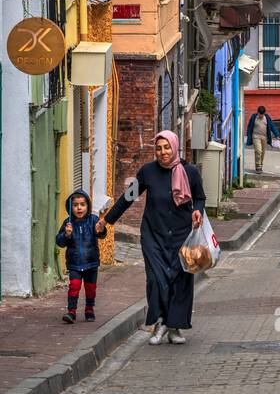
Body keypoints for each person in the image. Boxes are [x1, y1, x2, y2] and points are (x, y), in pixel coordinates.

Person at [104, 131, 205, 346]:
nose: (163, 152)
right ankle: (159, 322)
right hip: (153, 235)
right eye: (158, 148)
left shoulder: (190, 172)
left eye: (167, 147)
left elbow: (199, 197)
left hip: (182, 236)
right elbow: (128, 198)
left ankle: (175, 327)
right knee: (156, 279)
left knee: (180, 281)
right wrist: (107, 220)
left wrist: (197, 210)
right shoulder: (147, 172)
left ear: (175, 147)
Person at [55, 189, 107, 323]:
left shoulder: (93, 220)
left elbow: (101, 235)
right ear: (70, 207)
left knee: (90, 288)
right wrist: (67, 234)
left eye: (82, 204)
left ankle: (89, 309)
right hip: (74, 263)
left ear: (87, 206)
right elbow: (60, 242)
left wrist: (100, 230)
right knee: (74, 286)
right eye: (75, 205)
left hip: (91, 262)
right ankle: (71, 312)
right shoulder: (68, 223)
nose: (79, 208)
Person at [245, 104, 280, 172]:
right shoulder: (254, 117)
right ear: (257, 113)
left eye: (262, 114)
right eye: (260, 114)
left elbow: (272, 126)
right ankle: (258, 166)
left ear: (264, 113)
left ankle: (260, 165)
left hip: (264, 137)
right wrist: (249, 135)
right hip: (256, 136)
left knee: (263, 152)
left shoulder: (267, 118)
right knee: (258, 151)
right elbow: (249, 126)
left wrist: (277, 134)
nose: (261, 116)